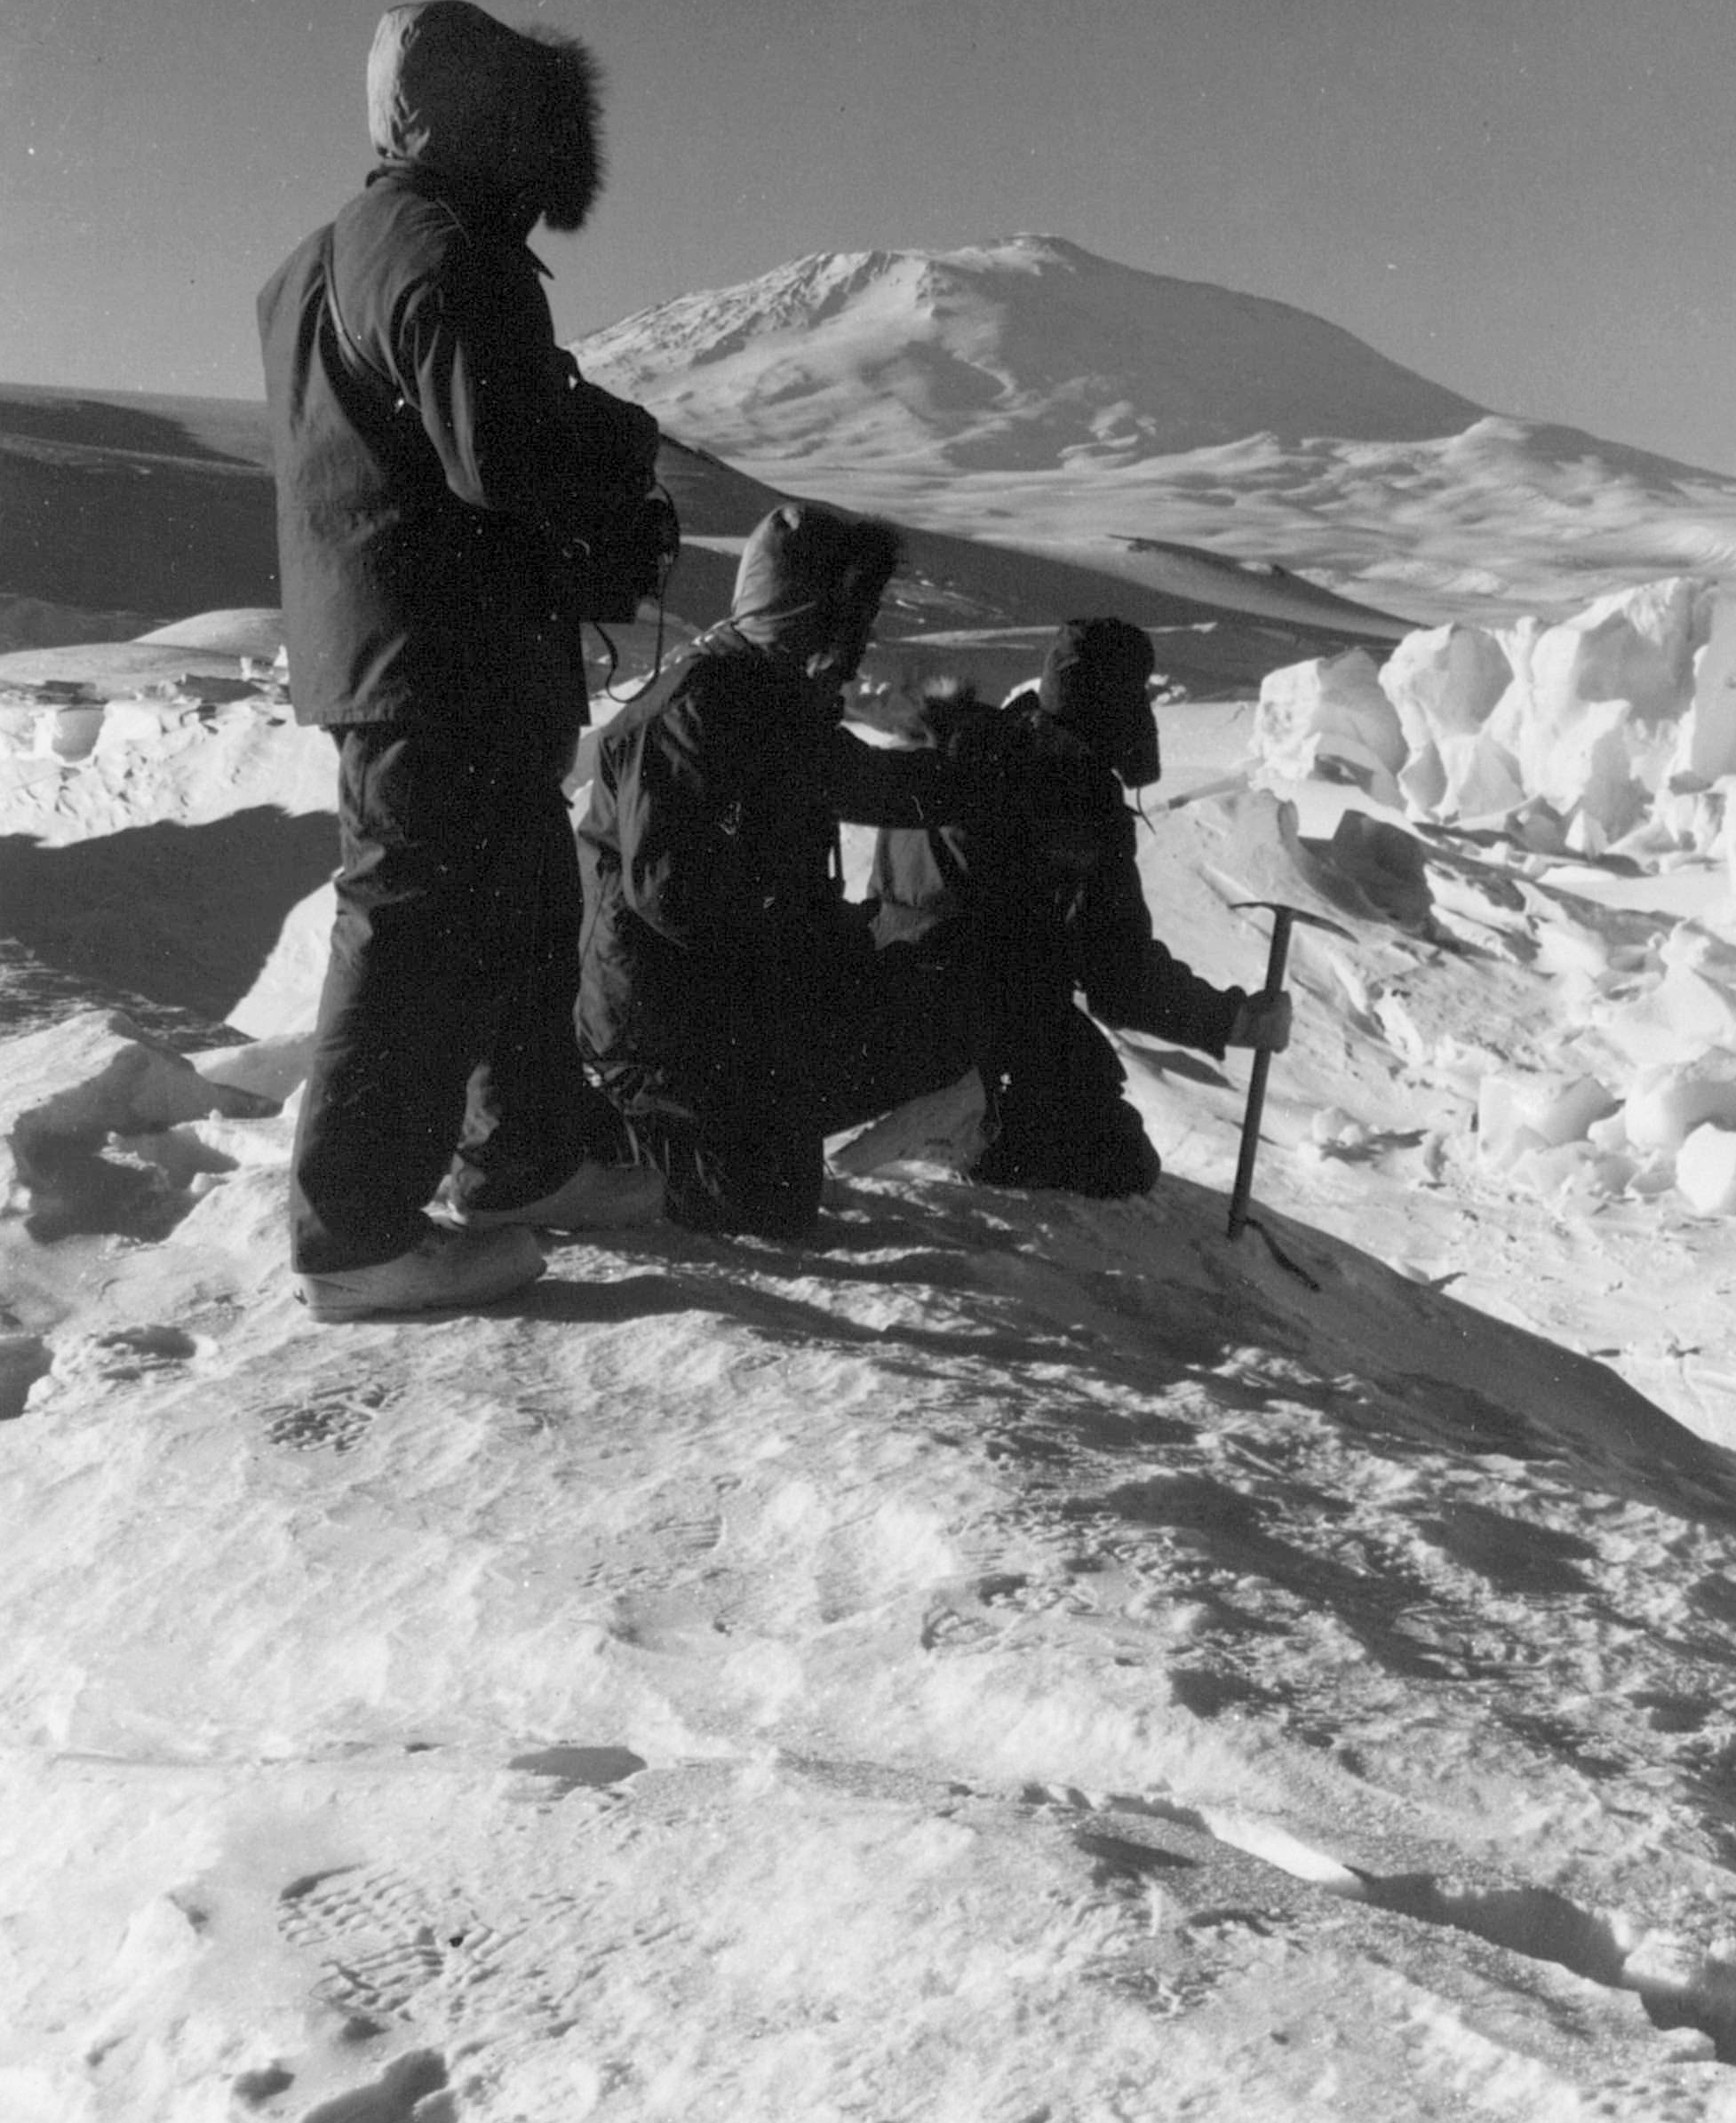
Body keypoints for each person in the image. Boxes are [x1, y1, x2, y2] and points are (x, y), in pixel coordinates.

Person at [259, 0, 667, 1321]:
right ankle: (359, 1233)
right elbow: (503, 448)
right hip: (442, 652)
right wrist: (615, 462)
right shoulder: (439, 242)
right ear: (487, 119)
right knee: (420, 916)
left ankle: (524, 1161)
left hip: (412, 641)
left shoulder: (348, 247)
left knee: (520, 904)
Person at [577, 508, 1169, 1237]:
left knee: (943, 1000)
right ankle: (583, 1139)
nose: (860, 650)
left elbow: (874, 785)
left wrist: (995, 779)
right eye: (853, 622)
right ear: (805, 614)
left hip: (727, 1004)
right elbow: (675, 900)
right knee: (767, 1200)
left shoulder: (767, 699)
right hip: (662, 1027)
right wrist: (810, 956)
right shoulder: (701, 708)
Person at [877, 620, 1290, 1197]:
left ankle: (947, 1099)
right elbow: (1119, 978)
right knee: (1119, 1160)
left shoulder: (955, 746)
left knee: (1065, 1052)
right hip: (982, 1014)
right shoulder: (1073, 796)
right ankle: (974, 1121)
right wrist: (1232, 1020)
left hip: (883, 1002)